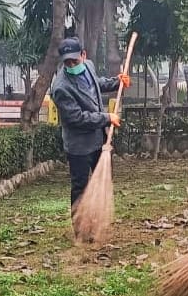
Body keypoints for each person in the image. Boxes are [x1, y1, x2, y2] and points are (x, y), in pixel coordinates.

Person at [50, 37, 130, 206]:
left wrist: (117, 82)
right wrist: (107, 118)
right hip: (79, 147)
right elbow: (77, 118)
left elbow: (96, 84)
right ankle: (81, 229)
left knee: (102, 181)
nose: (72, 65)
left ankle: (96, 217)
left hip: (98, 140)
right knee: (80, 188)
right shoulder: (60, 88)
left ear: (83, 55)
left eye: (75, 61)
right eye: (67, 63)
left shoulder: (88, 66)